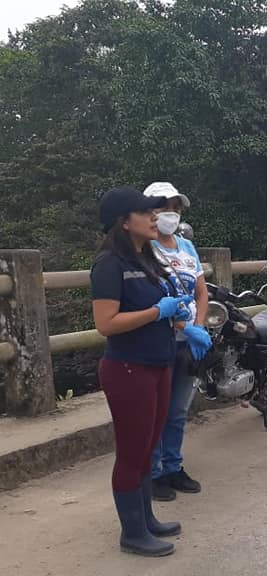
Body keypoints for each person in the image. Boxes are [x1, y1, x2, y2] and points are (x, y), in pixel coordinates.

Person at [90, 187, 192, 556]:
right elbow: (106, 323)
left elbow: (163, 305)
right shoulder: (110, 264)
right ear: (123, 221)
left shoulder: (147, 259)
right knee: (132, 452)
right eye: (146, 212)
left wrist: (178, 314)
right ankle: (132, 532)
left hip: (158, 364)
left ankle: (147, 519)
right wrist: (156, 312)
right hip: (128, 369)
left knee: (148, 448)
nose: (155, 217)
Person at [144, 182, 211, 501]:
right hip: (158, 340)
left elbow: (201, 291)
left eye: (175, 208)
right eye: (163, 206)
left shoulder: (186, 247)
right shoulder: (143, 248)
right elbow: (149, 298)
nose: (170, 213)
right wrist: (183, 324)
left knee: (178, 411)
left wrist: (198, 327)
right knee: (156, 411)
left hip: (188, 342)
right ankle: (154, 472)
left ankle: (173, 466)